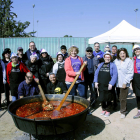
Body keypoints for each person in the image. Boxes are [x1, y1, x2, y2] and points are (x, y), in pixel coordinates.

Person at [94, 52, 118, 117]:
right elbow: (96, 73)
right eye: (106, 57)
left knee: (108, 98)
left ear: (110, 58)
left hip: (108, 85)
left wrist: (111, 83)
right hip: (101, 84)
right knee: (102, 97)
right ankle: (103, 109)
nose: (107, 58)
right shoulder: (101, 64)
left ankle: (108, 110)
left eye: (108, 57)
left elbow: (115, 75)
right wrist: (96, 81)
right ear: (104, 58)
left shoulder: (113, 65)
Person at [114, 48, 133, 119]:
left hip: (124, 82)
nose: (122, 55)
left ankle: (123, 111)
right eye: (121, 53)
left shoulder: (129, 61)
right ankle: (124, 108)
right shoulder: (116, 61)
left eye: (124, 53)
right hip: (117, 83)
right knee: (119, 96)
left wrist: (125, 82)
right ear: (118, 54)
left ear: (126, 54)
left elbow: (130, 73)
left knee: (123, 98)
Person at [132, 44, 140, 119]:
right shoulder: (133, 59)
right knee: (137, 95)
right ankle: (139, 110)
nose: (137, 50)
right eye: (135, 49)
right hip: (135, 78)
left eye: (138, 49)